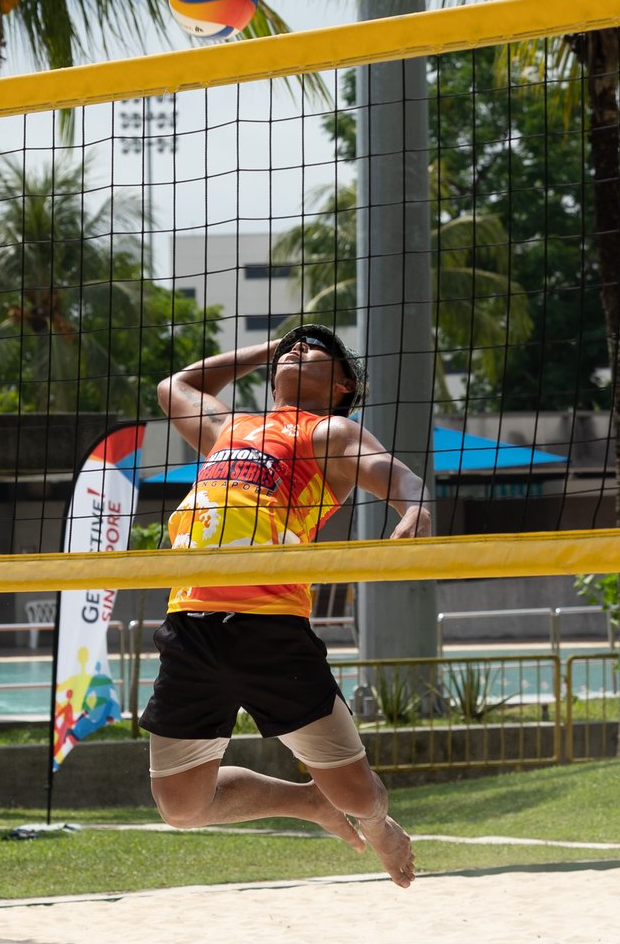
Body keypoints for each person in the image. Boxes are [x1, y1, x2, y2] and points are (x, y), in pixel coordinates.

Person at [140, 324, 424, 888]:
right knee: (182, 808)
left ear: (344, 384)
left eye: (315, 349)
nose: (298, 348)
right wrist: (270, 350)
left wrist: (416, 507)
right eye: (290, 347)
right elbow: (176, 384)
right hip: (190, 623)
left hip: (271, 627)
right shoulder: (229, 427)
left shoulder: (332, 433)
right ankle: (306, 803)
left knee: (359, 794)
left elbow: (398, 475)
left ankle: (379, 825)